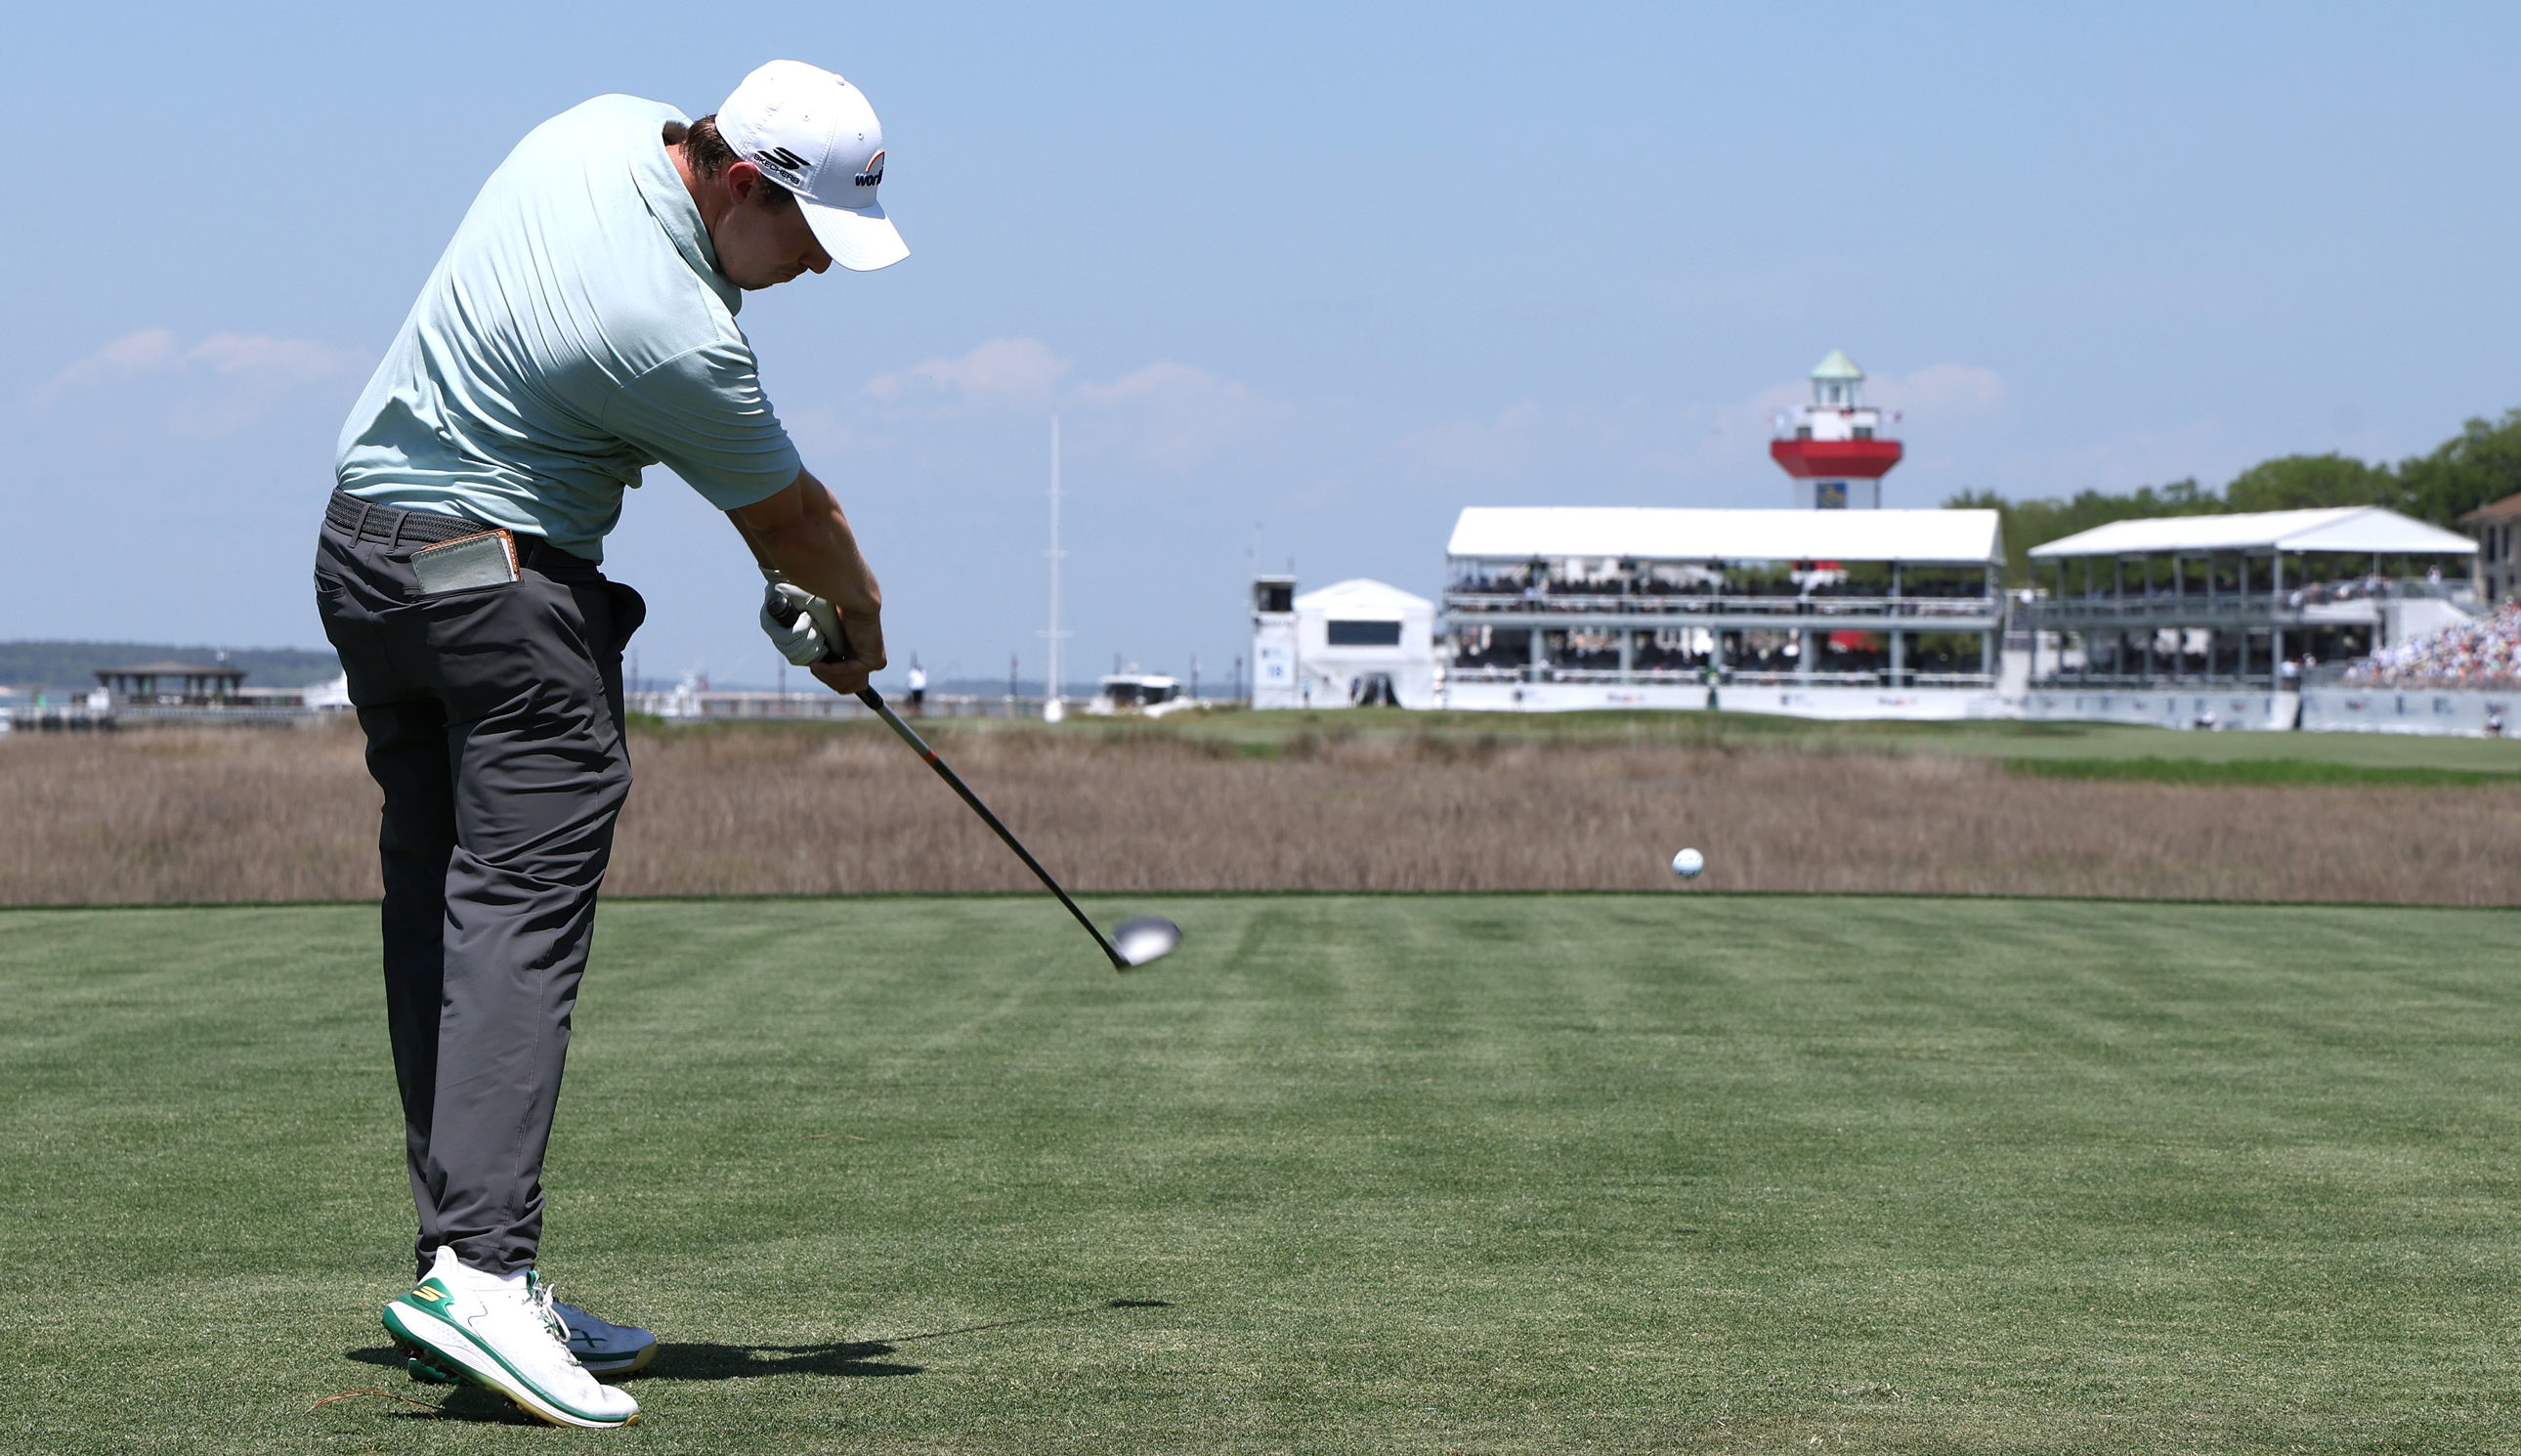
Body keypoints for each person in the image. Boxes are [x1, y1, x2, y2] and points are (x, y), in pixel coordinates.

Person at [316, 60, 903, 1430]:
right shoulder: (677, 333)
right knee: (518, 917)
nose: (814, 270)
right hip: (503, 592)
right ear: (747, 185)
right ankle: (486, 1271)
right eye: (810, 237)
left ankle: (459, 1263)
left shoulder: (589, 128)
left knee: (446, 914)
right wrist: (857, 635)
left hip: (362, 559)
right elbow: (797, 528)